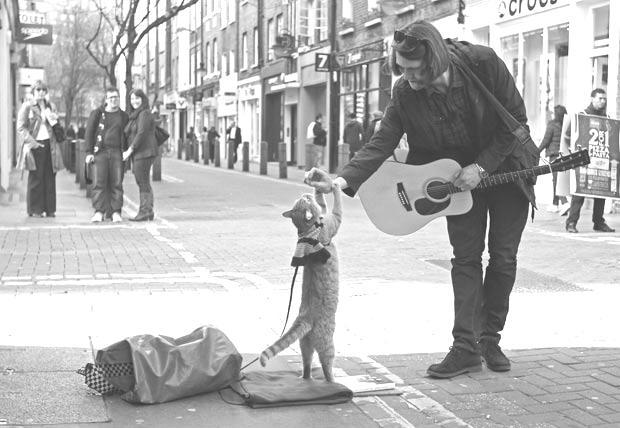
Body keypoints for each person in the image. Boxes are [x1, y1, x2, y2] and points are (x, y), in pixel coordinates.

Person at [306, 20, 540, 379]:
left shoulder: (483, 63)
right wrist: (338, 182)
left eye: (415, 70)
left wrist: (481, 166)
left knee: (504, 258)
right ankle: (465, 347)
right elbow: (381, 142)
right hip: (456, 184)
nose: (409, 77)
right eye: (402, 69)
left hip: (506, 170)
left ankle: (489, 338)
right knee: (465, 259)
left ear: (434, 59)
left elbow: (517, 123)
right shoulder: (405, 92)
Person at [564, 89, 615, 233]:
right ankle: (571, 223)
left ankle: (598, 222)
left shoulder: (608, 119)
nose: (603, 101)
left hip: (601, 161)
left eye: (604, 99)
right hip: (583, 162)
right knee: (579, 193)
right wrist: (573, 153)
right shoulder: (582, 116)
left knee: (601, 193)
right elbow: (568, 136)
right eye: (600, 98)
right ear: (592, 99)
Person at [16, 80, 65, 218]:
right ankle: (35, 209)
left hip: (51, 146)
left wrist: (54, 119)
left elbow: (56, 125)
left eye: (43, 90)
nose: (41, 92)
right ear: (33, 92)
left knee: (50, 176)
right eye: (38, 90)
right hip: (35, 146)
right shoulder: (27, 106)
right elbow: (20, 127)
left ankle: (50, 209)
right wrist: (32, 142)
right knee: (36, 178)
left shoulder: (51, 106)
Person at [85, 87, 129, 223]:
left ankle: (116, 212)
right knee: (99, 183)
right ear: (106, 99)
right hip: (100, 152)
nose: (114, 100)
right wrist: (89, 152)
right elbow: (89, 133)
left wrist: (127, 152)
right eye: (111, 97)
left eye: (116, 97)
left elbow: (127, 135)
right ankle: (99, 211)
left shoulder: (123, 116)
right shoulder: (97, 114)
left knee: (117, 183)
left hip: (117, 152)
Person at [123, 89, 158, 221]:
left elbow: (141, 133)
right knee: (143, 181)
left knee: (142, 181)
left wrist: (129, 151)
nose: (134, 101)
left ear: (143, 99)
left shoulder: (144, 113)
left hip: (144, 152)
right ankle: (147, 210)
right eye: (132, 99)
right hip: (141, 152)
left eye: (137, 98)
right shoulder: (135, 115)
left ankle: (145, 211)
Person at [538, 105, 569, 214]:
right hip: (564, 155)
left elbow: (546, 140)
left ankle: (564, 203)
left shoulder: (552, 124)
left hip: (554, 155)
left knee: (556, 180)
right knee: (557, 179)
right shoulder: (566, 124)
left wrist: (537, 151)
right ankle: (555, 205)